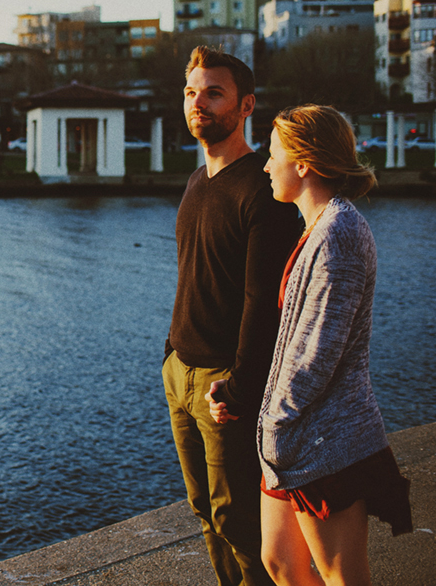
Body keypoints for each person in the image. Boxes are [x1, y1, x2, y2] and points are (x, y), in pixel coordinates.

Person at [235, 104, 411, 585]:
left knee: (340, 575)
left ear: (304, 163)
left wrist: (272, 419)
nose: (266, 166)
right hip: (293, 439)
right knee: (281, 562)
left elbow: (317, 354)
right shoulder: (315, 228)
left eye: (273, 156)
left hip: (325, 439)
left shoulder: (340, 234)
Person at [164, 46, 301, 586]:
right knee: (202, 509)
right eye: (191, 92)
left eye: (213, 93)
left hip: (224, 382)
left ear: (246, 106)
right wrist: (170, 356)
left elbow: (262, 301)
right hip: (180, 374)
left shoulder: (263, 191)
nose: (198, 103)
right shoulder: (197, 183)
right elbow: (190, 277)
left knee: (236, 516)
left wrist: (240, 386)